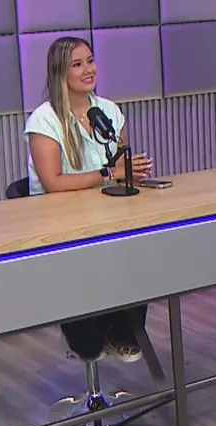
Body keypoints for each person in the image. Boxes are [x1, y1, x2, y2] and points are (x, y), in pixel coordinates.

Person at [23, 35, 154, 364]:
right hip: (63, 226)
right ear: (60, 72)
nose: (88, 70)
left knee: (143, 249)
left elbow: (119, 166)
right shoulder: (44, 120)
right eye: (77, 64)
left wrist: (131, 172)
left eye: (91, 61)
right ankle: (85, 337)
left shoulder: (107, 110)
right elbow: (53, 182)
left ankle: (122, 333)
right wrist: (109, 173)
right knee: (89, 344)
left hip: (108, 216)